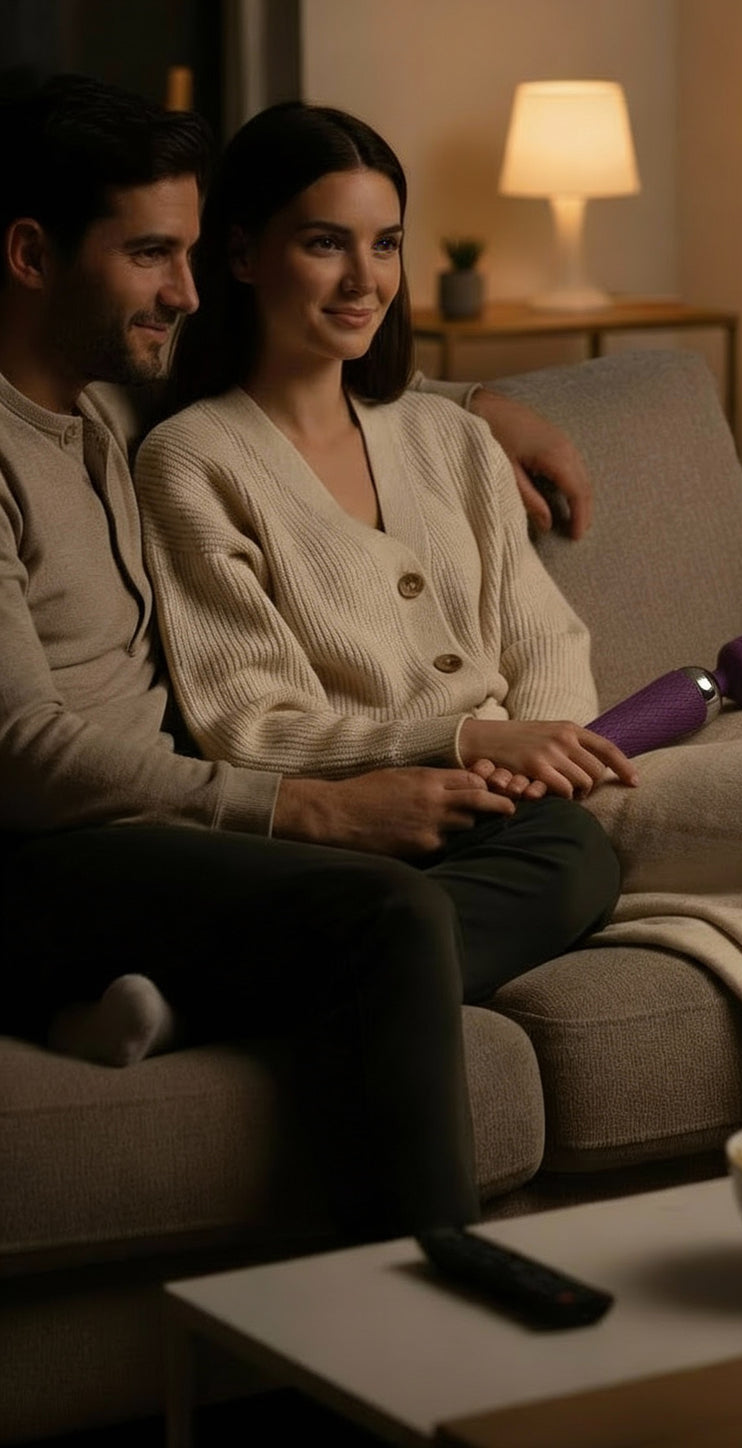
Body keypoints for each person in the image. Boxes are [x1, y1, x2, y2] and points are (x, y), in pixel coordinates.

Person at [137, 100, 742, 1123]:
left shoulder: (445, 438)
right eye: (326, 244)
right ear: (242, 253)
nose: (366, 279)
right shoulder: (192, 460)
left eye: (385, 244)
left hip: (566, 775)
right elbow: (248, 720)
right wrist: (469, 737)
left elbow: (544, 633)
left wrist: (555, 742)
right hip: (435, 818)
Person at [0, 74, 621, 1244]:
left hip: (173, 852)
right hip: (55, 860)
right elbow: (22, 754)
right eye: (151, 257)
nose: (185, 293)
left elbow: (333, 392)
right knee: (386, 916)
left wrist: (486, 397)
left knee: (566, 850)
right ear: (32, 255)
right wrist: (303, 810)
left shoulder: (97, 411)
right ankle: (434, 1293)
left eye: (189, 256)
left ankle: (187, 1002)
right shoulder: (59, 445)